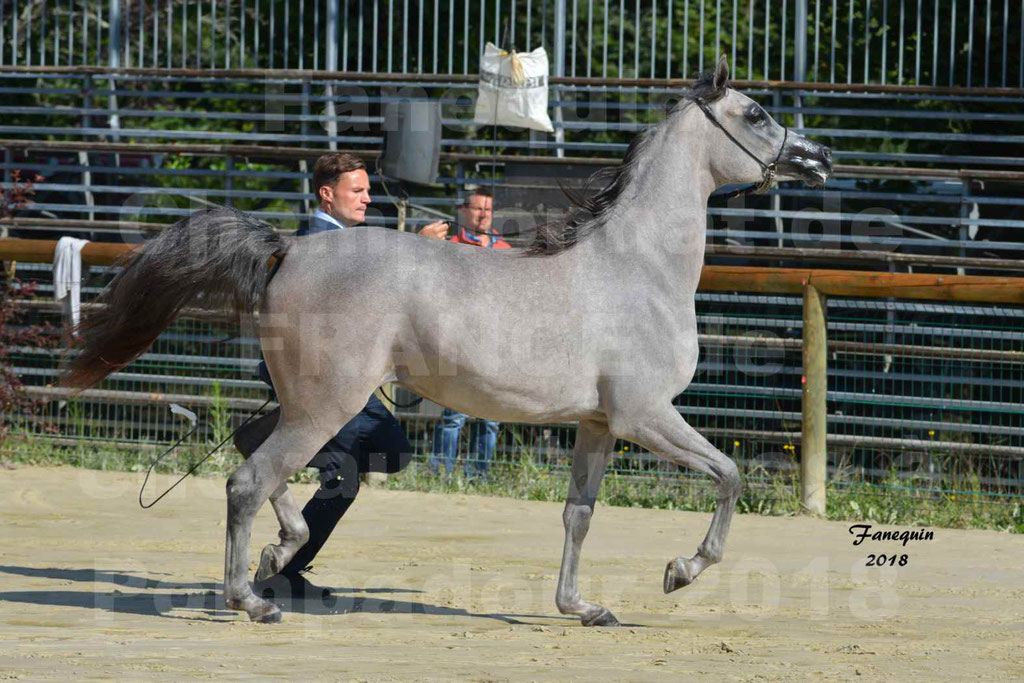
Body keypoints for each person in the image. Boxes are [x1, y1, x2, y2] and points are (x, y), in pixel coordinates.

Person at [233, 152, 412, 600]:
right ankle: (284, 571)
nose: (367, 199)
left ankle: (268, 443)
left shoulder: (340, 243)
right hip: (321, 377)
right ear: (327, 195)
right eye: (358, 190)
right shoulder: (316, 243)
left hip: (345, 378)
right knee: (350, 472)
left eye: (368, 190)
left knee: (390, 453)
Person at [418, 188, 508, 479]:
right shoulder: (451, 245)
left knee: (491, 418)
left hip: (494, 345)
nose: (483, 215)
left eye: (488, 210)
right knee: (453, 415)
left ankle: (478, 475)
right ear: (463, 211)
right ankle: (440, 473)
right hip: (458, 343)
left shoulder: (505, 250)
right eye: (477, 209)